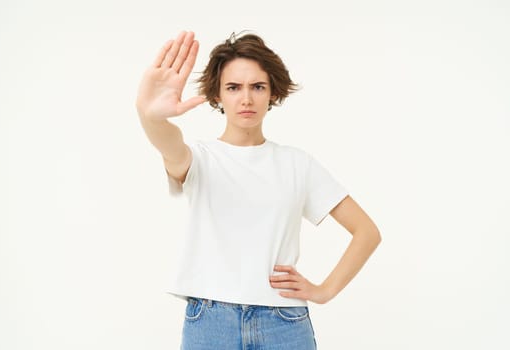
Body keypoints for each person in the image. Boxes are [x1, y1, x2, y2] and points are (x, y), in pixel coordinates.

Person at [136, 30, 381, 350]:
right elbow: (168, 144)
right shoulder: (200, 159)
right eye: (233, 87)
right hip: (211, 322)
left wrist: (324, 290)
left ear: (272, 92)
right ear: (218, 95)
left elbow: (366, 232)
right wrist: (150, 116)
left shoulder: (297, 163)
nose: (246, 98)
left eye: (258, 87)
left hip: (284, 323)